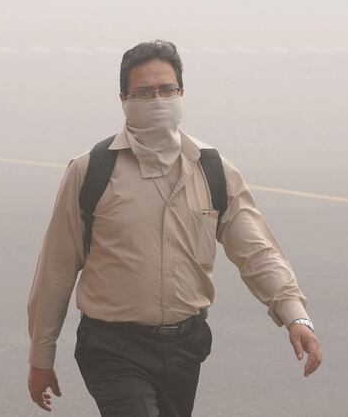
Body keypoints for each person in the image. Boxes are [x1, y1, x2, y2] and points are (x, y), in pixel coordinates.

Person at [27, 39, 322, 416]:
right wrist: (41, 356)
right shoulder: (90, 172)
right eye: (145, 93)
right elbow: (56, 269)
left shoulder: (214, 171)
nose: (158, 100)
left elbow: (257, 250)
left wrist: (294, 315)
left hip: (186, 348)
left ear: (182, 93)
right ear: (123, 99)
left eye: (167, 90)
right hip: (112, 347)